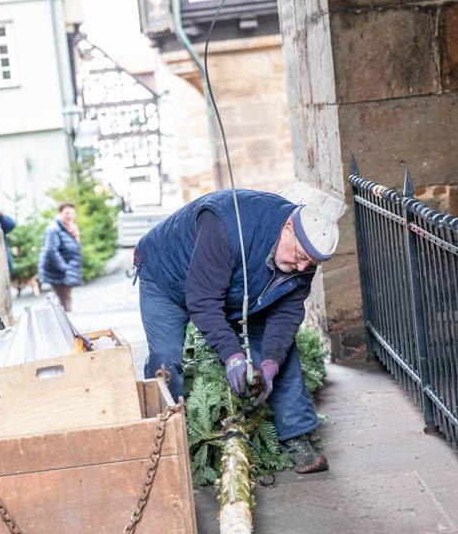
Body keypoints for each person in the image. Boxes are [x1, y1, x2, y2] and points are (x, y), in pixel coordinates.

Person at [134, 188, 345, 474]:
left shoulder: (303, 257)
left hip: (239, 286)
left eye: (311, 263)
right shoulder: (227, 225)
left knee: (283, 352)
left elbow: (286, 314)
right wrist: (232, 356)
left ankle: (297, 436)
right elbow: (204, 302)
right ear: (287, 229)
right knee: (165, 358)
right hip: (166, 277)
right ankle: (163, 444)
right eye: (299, 256)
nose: (302, 266)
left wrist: (270, 364)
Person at [38, 202, 82, 311]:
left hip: (66, 271)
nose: (70, 216)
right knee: (65, 301)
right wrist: (64, 268)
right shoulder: (54, 229)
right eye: (67, 213)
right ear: (59, 213)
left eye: (72, 213)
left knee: (64, 300)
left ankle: (65, 325)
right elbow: (50, 251)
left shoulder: (70, 228)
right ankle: (66, 326)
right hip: (58, 273)